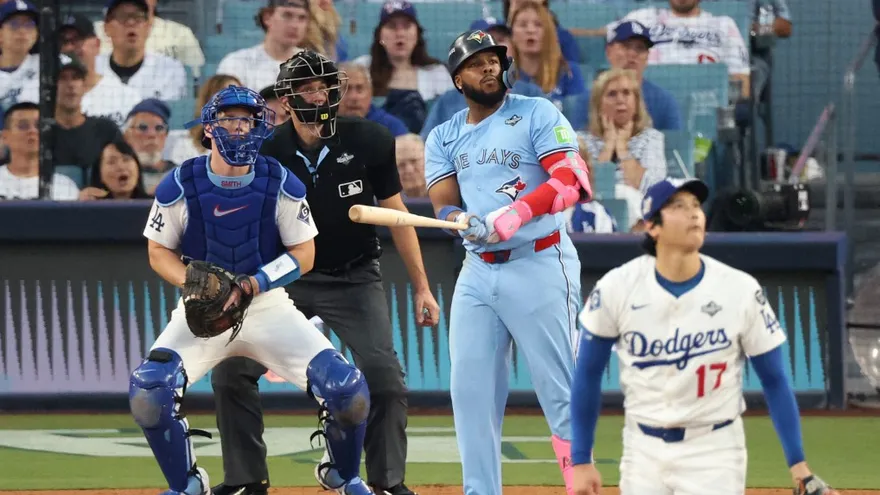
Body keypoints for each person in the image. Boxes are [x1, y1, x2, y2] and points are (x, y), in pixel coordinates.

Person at [209, 49, 439, 495]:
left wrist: (423, 288)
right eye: (308, 89)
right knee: (230, 372)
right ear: (287, 101)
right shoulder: (267, 151)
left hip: (355, 276)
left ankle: (387, 482)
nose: (319, 96)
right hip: (286, 278)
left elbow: (398, 217)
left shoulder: (371, 139)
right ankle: (245, 479)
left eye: (325, 87)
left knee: (385, 378)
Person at [132, 84, 375, 495]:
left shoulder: (280, 181)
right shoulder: (180, 183)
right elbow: (159, 252)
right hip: (204, 309)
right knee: (150, 391)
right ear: (209, 128)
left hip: (266, 306)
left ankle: (342, 474)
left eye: (247, 120)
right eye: (230, 118)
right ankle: (187, 483)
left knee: (347, 390)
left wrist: (253, 282)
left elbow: (304, 254)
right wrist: (194, 282)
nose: (240, 127)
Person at [569, 177, 841, 495]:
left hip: (714, 452)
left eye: (696, 205)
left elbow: (775, 379)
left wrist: (798, 465)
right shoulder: (617, 287)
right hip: (642, 451)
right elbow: (587, 374)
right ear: (652, 226)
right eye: (678, 206)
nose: (693, 213)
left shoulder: (739, 289)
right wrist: (581, 460)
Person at [425, 29, 592, 495]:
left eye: (494, 59)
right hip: (477, 270)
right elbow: (442, 204)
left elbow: (573, 180)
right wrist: (460, 220)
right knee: (470, 393)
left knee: (560, 392)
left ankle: (579, 485)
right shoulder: (443, 135)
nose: (488, 67)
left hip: (539, 260)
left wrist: (517, 212)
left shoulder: (537, 111)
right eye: (475, 63)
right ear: (458, 79)